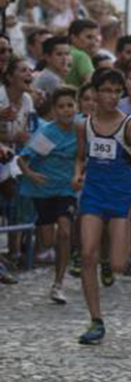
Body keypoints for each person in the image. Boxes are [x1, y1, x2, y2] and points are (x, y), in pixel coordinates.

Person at [73, 68, 131, 345]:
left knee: (118, 265)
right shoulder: (84, 124)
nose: (110, 96)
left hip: (121, 198)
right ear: (94, 93)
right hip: (93, 195)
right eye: (105, 90)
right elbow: (81, 156)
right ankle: (96, 320)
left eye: (116, 91)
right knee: (86, 255)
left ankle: (109, 256)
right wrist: (77, 173)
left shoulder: (128, 124)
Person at [17, 86, 79, 304]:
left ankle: (58, 283)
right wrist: (31, 175)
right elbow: (22, 159)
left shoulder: (82, 131)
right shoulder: (47, 133)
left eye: (70, 105)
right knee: (47, 239)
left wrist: (82, 175)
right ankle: (57, 261)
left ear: (76, 106)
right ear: (54, 110)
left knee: (64, 231)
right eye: (61, 106)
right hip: (43, 190)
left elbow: (87, 157)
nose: (66, 110)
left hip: (67, 190)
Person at [33, 36, 70, 101]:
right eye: (59, 54)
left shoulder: (50, 75)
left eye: (67, 54)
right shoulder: (51, 78)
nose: (65, 59)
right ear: (47, 57)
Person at [65, 19, 99, 87]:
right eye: (89, 37)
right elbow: (91, 84)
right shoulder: (81, 56)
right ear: (73, 38)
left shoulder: (59, 51)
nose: (93, 42)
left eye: (95, 38)